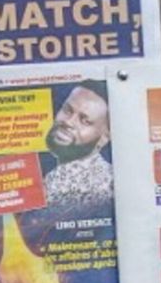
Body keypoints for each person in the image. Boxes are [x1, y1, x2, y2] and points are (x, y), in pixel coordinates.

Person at [45, 81, 113, 219]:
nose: (68, 122)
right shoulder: (57, 176)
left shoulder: (99, 187)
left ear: (104, 138)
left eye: (85, 121)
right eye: (67, 110)